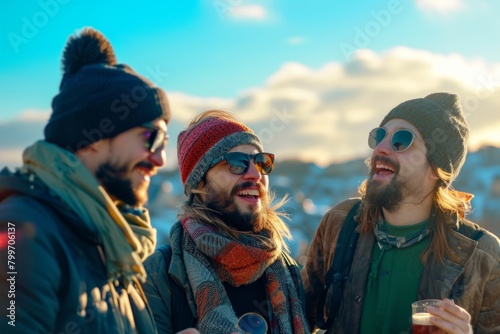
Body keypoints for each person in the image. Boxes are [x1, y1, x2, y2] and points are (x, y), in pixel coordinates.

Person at [0, 28, 171, 333]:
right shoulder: (21, 234)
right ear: (91, 139)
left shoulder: (113, 240)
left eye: (164, 142)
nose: (160, 160)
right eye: (151, 138)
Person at [301, 92, 500, 334]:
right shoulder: (339, 222)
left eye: (401, 140)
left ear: (437, 169)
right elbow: (296, 319)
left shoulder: (485, 258)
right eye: (380, 136)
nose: (381, 149)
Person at [142, 110, 310, 334]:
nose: (255, 175)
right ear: (199, 183)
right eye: (237, 163)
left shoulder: (287, 270)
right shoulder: (159, 275)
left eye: (261, 162)